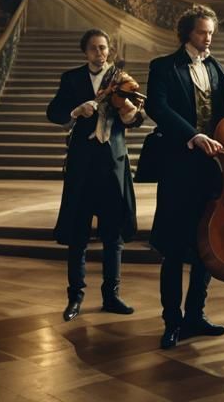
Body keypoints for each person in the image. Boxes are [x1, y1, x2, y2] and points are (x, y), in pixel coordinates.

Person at [146, 4, 224, 349]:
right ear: (187, 32)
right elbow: (157, 107)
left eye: (211, 32)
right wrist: (193, 135)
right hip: (178, 166)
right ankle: (172, 321)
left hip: (212, 171)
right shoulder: (164, 67)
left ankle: (195, 315)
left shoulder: (217, 68)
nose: (208, 38)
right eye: (202, 32)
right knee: (173, 248)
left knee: (205, 243)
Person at [46, 29, 140, 322]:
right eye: (94, 49)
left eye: (103, 48)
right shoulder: (71, 78)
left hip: (113, 163)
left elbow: (136, 119)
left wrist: (128, 111)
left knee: (113, 235)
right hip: (83, 165)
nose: (100, 53)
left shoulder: (121, 79)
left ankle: (112, 295)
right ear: (85, 51)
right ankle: (75, 296)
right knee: (78, 234)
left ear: (109, 50)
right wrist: (76, 111)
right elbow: (54, 112)